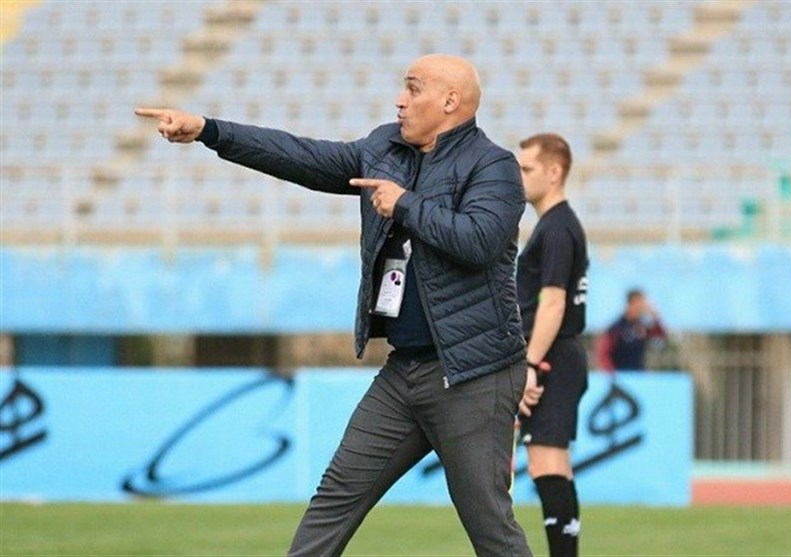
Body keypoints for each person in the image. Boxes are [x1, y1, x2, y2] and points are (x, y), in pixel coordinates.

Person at [136, 54, 533, 557]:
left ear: (450, 101)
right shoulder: (384, 147)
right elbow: (302, 156)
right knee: (335, 498)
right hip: (404, 372)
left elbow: (480, 241)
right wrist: (210, 131)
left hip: (474, 375)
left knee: (489, 526)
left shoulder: (493, 165)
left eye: (413, 89)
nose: (400, 100)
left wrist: (405, 204)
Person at [515, 133, 588, 557]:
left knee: (547, 463)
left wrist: (530, 364)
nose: (520, 177)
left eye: (528, 169)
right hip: (558, 355)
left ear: (554, 172)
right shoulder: (556, 224)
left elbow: (554, 301)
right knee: (552, 463)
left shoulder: (557, 227)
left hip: (551, 356)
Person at [595, 289, 667, 372]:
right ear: (631, 304)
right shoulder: (616, 328)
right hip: (620, 375)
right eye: (640, 303)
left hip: (638, 375)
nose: (643, 307)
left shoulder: (642, 325)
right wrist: (611, 374)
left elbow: (659, 338)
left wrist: (655, 318)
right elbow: (603, 354)